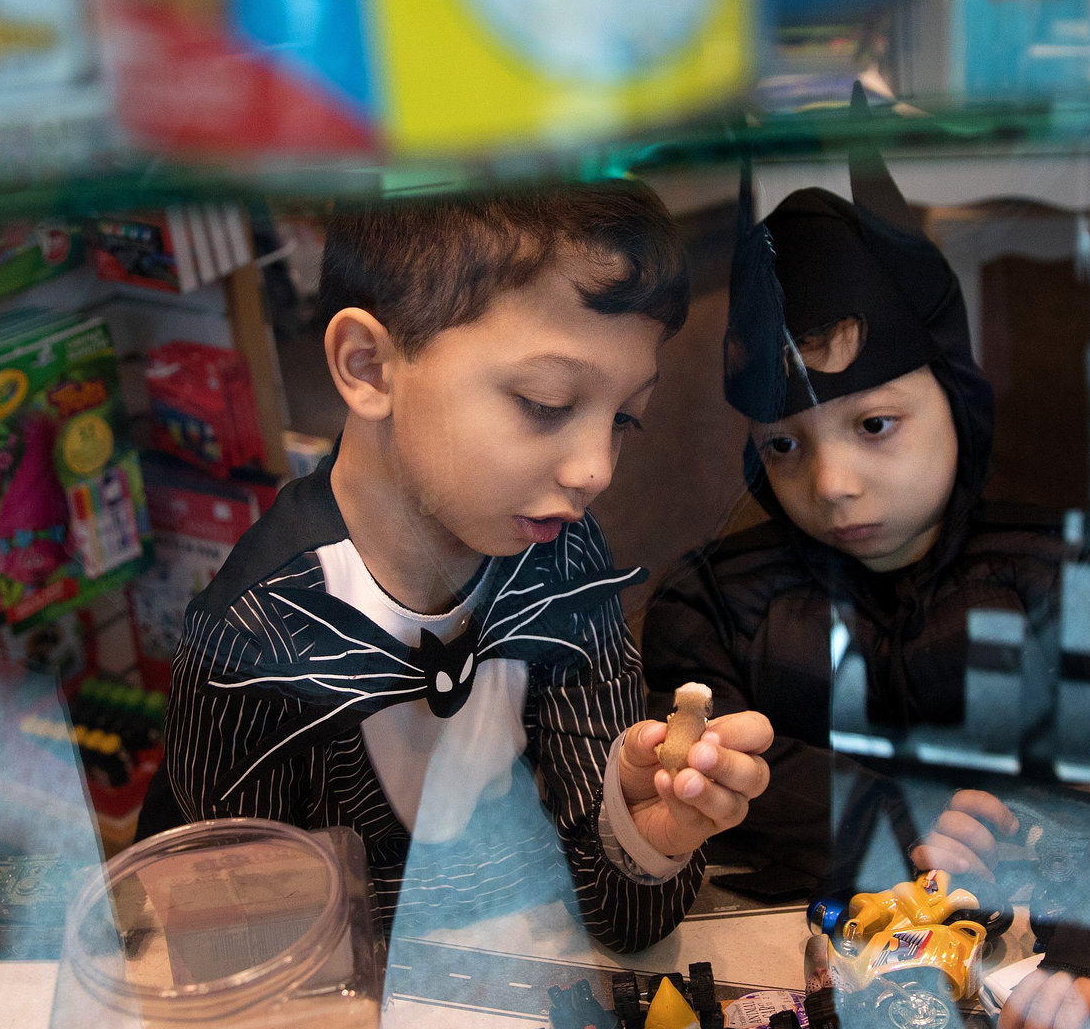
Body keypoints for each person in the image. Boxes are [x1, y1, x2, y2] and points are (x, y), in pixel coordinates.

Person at [146, 181, 772, 954]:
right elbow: (244, 952)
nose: (595, 469)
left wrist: (647, 836)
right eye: (545, 403)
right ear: (369, 365)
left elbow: (622, 917)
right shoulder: (255, 642)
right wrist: (525, 875)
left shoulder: (562, 559)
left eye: (623, 418)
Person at [642, 165, 1090, 1029]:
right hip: (803, 1013)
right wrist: (878, 809)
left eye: (875, 425)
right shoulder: (710, 603)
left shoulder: (1071, 574)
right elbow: (700, 773)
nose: (830, 483)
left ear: (956, 392)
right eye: (784, 445)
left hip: (1036, 1000)